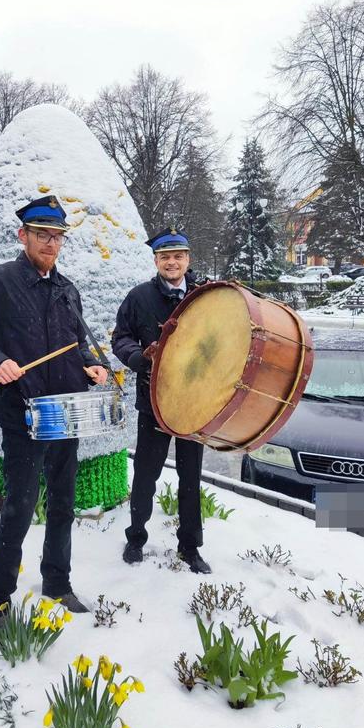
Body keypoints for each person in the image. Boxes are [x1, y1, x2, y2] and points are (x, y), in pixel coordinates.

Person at [0, 196, 109, 625]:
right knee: (20, 505)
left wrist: (94, 365)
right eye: (42, 235)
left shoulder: (66, 289)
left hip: (64, 411)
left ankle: (57, 582)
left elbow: (78, 343)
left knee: (63, 503)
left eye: (57, 237)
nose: (50, 244)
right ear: (23, 236)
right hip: (22, 414)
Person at [111, 227, 211, 573]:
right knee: (145, 475)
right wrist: (140, 358)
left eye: (178, 256)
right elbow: (120, 338)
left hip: (195, 402)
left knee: (190, 477)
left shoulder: (204, 295)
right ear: (156, 261)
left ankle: (190, 547)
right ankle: (136, 537)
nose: (172, 262)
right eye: (165, 257)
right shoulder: (139, 298)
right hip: (153, 400)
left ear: (188, 259)